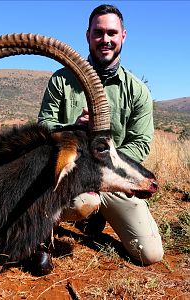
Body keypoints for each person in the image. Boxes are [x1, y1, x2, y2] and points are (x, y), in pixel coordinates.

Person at [38, 4, 164, 265]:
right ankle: (44, 226)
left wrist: (107, 169)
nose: (105, 40)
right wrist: (73, 127)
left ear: (123, 36)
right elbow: (44, 127)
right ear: (88, 36)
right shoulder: (61, 80)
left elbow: (140, 143)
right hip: (74, 177)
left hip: (115, 176)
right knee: (80, 204)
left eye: (111, 33)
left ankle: (100, 215)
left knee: (150, 255)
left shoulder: (137, 90)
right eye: (98, 33)